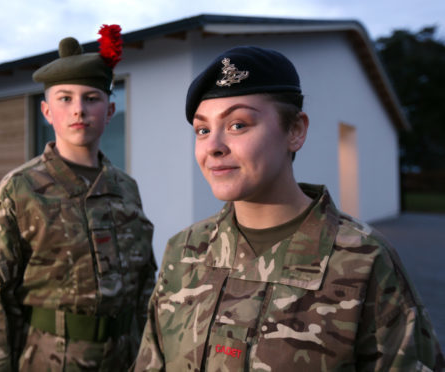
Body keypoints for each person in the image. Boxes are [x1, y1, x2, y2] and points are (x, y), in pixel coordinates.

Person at [134, 46, 444, 371]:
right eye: (203, 130)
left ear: (295, 130)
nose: (213, 146)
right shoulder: (184, 251)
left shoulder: (363, 260)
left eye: (238, 125)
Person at [0, 25, 156, 371]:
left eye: (91, 98)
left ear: (110, 111)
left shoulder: (127, 188)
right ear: (46, 112)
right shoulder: (19, 190)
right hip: (50, 360)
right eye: (65, 98)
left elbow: (145, 286)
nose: (78, 110)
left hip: (126, 358)